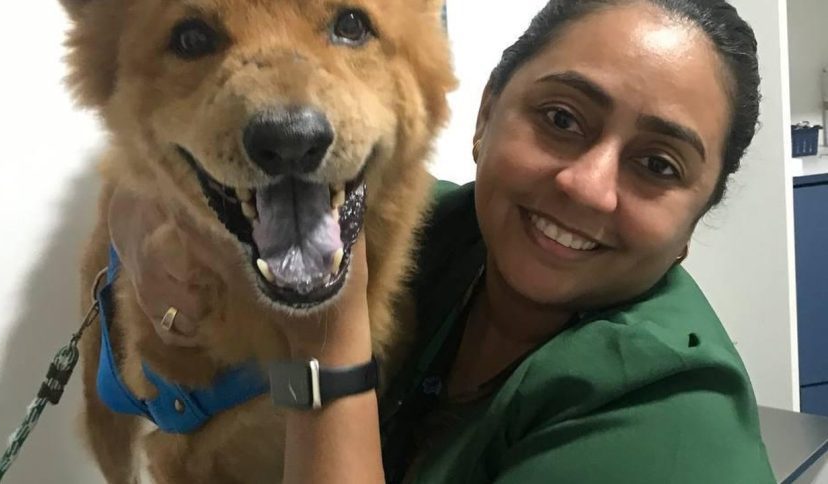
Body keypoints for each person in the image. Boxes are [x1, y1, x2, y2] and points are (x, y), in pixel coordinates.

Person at [111, 0, 775, 482]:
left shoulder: (668, 431)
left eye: (658, 165)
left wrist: (325, 350)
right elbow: (152, 178)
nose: (587, 185)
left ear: (695, 224)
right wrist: (137, 220)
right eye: (561, 118)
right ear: (484, 117)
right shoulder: (450, 229)